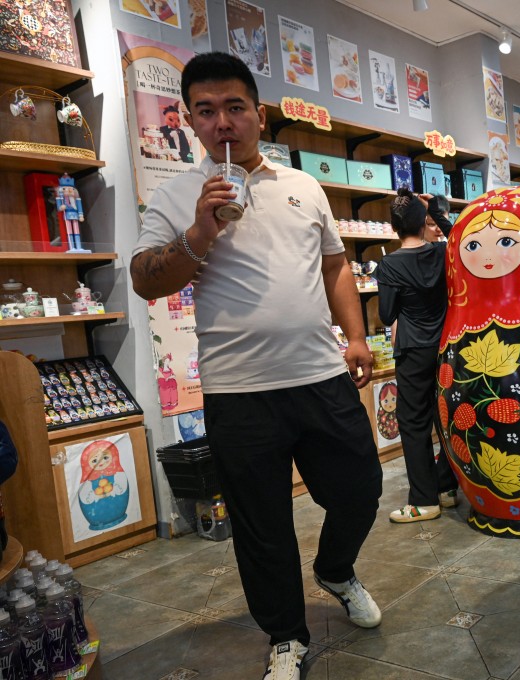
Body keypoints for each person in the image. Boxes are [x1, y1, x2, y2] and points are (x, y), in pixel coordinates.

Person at [130, 52, 382, 680]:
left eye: (234, 107)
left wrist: (355, 336)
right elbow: (143, 281)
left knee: (360, 490)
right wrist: (198, 234)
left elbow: (333, 264)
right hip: (238, 391)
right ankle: (286, 637)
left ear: (258, 115)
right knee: (262, 525)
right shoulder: (176, 194)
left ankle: (334, 569)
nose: (222, 123)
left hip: (320, 375)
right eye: (206, 111)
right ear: (189, 120)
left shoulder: (303, 186)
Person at [376, 189, 459, 522]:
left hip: (411, 350)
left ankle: (424, 501)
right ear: (423, 223)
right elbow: (460, 238)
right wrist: (436, 210)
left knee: (413, 424)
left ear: (394, 227)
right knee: (446, 419)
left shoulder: (389, 263)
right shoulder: (443, 252)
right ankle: (446, 486)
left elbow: (386, 314)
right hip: (445, 347)